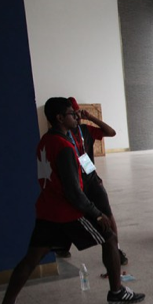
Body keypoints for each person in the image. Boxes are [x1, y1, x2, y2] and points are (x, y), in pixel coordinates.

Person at [0, 97, 145, 304]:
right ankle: (117, 292)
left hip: (47, 211)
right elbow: (73, 193)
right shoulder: (64, 147)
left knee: (31, 258)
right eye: (71, 114)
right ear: (59, 118)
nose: (76, 116)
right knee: (110, 237)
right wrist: (96, 213)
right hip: (66, 213)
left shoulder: (45, 141)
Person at [54, 97, 128, 264]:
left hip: (91, 179)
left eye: (77, 113)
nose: (76, 117)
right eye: (73, 114)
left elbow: (111, 132)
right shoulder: (60, 137)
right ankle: (62, 245)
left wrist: (91, 117)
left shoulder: (84, 130)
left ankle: (115, 248)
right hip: (74, 181)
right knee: (72, 214)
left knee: (107, 214)